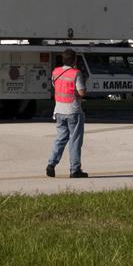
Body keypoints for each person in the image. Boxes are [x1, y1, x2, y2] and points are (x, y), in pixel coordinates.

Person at [46, 50, 88, 178]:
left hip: (59, 110)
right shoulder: (76, 73)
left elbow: (56, 86)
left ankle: (51, 164)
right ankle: (75, 170)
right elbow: (81, 92)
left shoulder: (55, 72)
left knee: (60, 139)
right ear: (74, 60)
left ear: (63, 59)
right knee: (74, 141)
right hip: (73, 110)